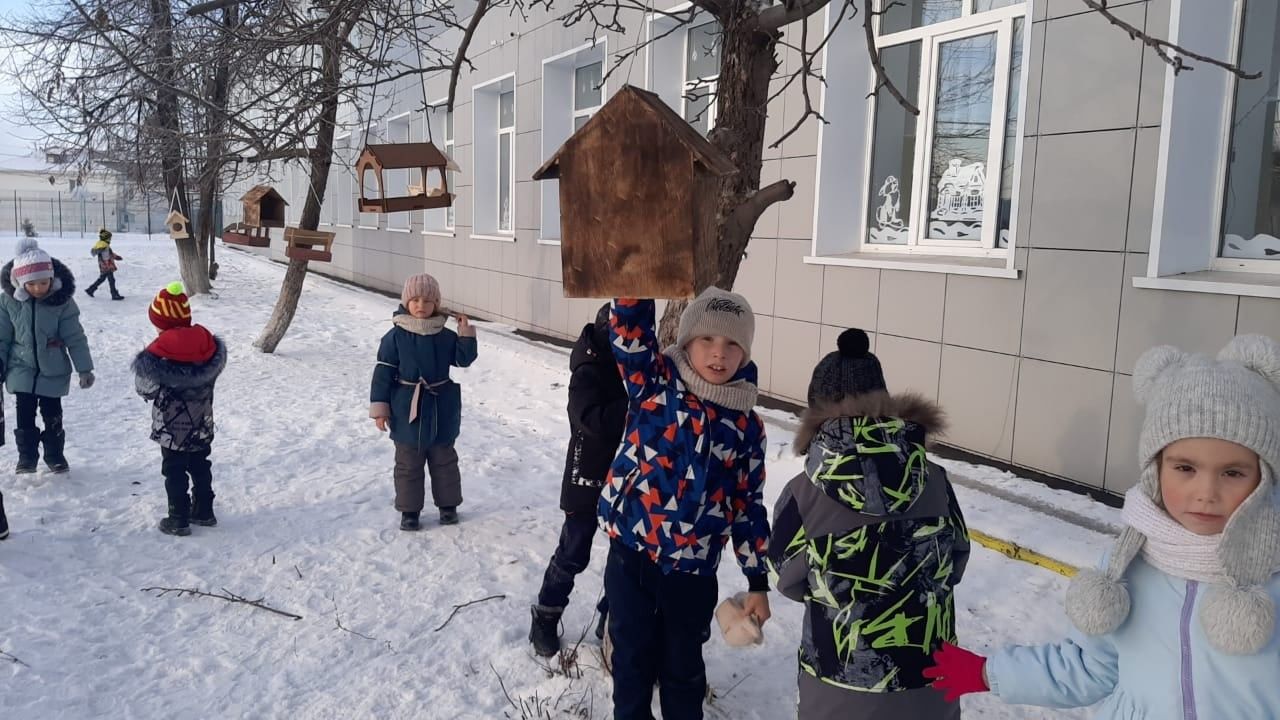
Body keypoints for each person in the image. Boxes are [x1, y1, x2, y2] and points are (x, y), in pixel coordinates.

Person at [924, 335, 1280, 718]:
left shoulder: (1272, 574)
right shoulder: (1128, 564)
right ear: (1155, 471)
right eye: (1185, 468)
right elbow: (1089, 667)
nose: (1206, 492)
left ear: (1263, 478)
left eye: (1232, 472)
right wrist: (988, 673)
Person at [769, 328, 969, 719]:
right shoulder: (936, 481)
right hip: (931, 686)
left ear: (817, 412)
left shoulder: (803, 492)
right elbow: (957, 558)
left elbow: (787, 575)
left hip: (838, 689)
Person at [599, 288, 771, 720]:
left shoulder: (746, 424)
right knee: (632, 663)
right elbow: (631, 333)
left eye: (733, 344)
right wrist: (638, 275)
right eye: (707, 341)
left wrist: (757, 580)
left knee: (683, 672)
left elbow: (748, 505)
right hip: (633, 556)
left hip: (693, 570)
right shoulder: (653, 383)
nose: (719, 354)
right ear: (686, 341)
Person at [529, 303, 627, 657]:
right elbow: (589, 419)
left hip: (628, 475)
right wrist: (633, 411)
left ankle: (610, 617)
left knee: (624, 557)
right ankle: (545, 614)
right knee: (574, 549)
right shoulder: (587, 368)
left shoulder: (639, 364)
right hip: (587, 469)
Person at [370, 273, 477, 529]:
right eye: (415, 300)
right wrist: (380, 409)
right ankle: (410, 511)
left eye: (427, 301)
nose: (421, 305)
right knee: (408, 464)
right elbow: (383, 371)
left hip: (441, 406)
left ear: (436, 305)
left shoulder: (445, 335)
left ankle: (448, 507)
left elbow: (464, 359)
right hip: (406, 407)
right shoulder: (395, 336)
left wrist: (465, 332)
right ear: (406, 302)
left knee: (444, 461)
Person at [132, 282, 227, 536]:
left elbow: (145, 388)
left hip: (171, 428)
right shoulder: (207, 345)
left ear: (161, 324)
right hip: (202, 423)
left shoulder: (157, 353)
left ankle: (178, 517)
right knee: (200, 463)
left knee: (174, 469)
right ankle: (204, 510)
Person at [0, 238, 94, 474]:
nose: (39, 288)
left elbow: (75, 336)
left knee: (52, 415)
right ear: (21, 283)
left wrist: (84, 368)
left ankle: (54, 455)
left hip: (52, 369)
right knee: (24, 414)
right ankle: (27, 458)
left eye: (44, 282)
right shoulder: (8, 302)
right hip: (20, 367)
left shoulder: (61, 303)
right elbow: (2, 337)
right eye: (32, 284)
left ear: (52, 279)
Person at [85, 228, 124, 300]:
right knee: (111, 280)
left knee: (102, 279)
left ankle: (91, 289)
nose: (110, 239)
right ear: (106, 238)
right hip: (107, 266)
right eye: (109, 238)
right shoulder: (104, 245)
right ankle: (114, 294)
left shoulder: (101, 244)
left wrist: (116, 257)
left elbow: (109, 254)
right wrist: (110, 263)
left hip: (103, 266)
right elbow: (107, 256)